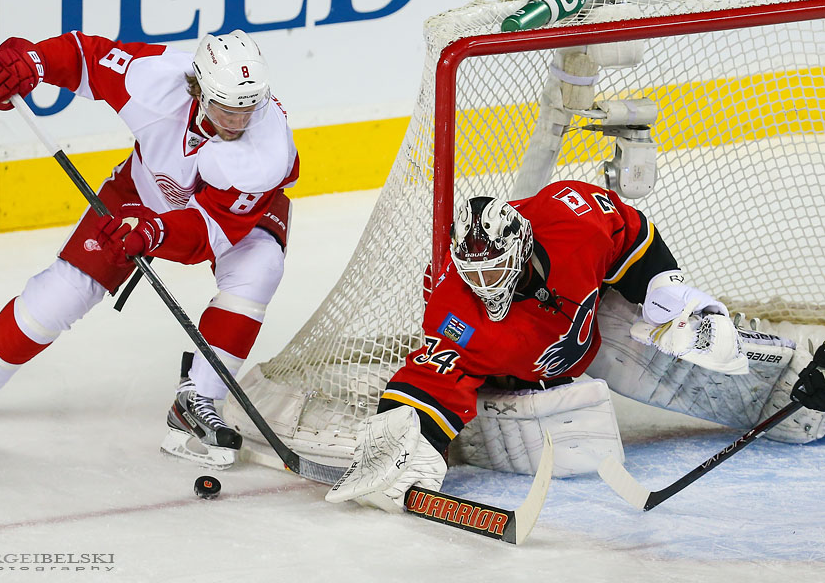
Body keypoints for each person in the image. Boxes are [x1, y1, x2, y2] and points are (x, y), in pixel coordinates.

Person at [325, 180, 825, 512]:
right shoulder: (457, 310)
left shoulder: (571, 218)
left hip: (598, 317)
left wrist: (667, 293)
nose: (484, 287)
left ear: (520, 248)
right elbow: (433, 371)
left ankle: (800, 385)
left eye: (494, 272)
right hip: (528, 367)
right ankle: (486, 414)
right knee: (581, 436)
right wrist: (408, 435)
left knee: (692, 349)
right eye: (473, 275)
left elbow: (630, 233)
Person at [0, 30, 299, 469]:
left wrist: (155, 233)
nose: (238, 122)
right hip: (141, 192)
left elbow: (207, 234)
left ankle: (199, 399)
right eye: (226, 109)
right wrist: (32, 63)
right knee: (63, 292)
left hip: (233, 217)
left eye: (248, 109)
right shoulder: (155, 80)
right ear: (199, 89)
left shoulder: (268, 150)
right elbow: (86, 57)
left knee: (260, 269)